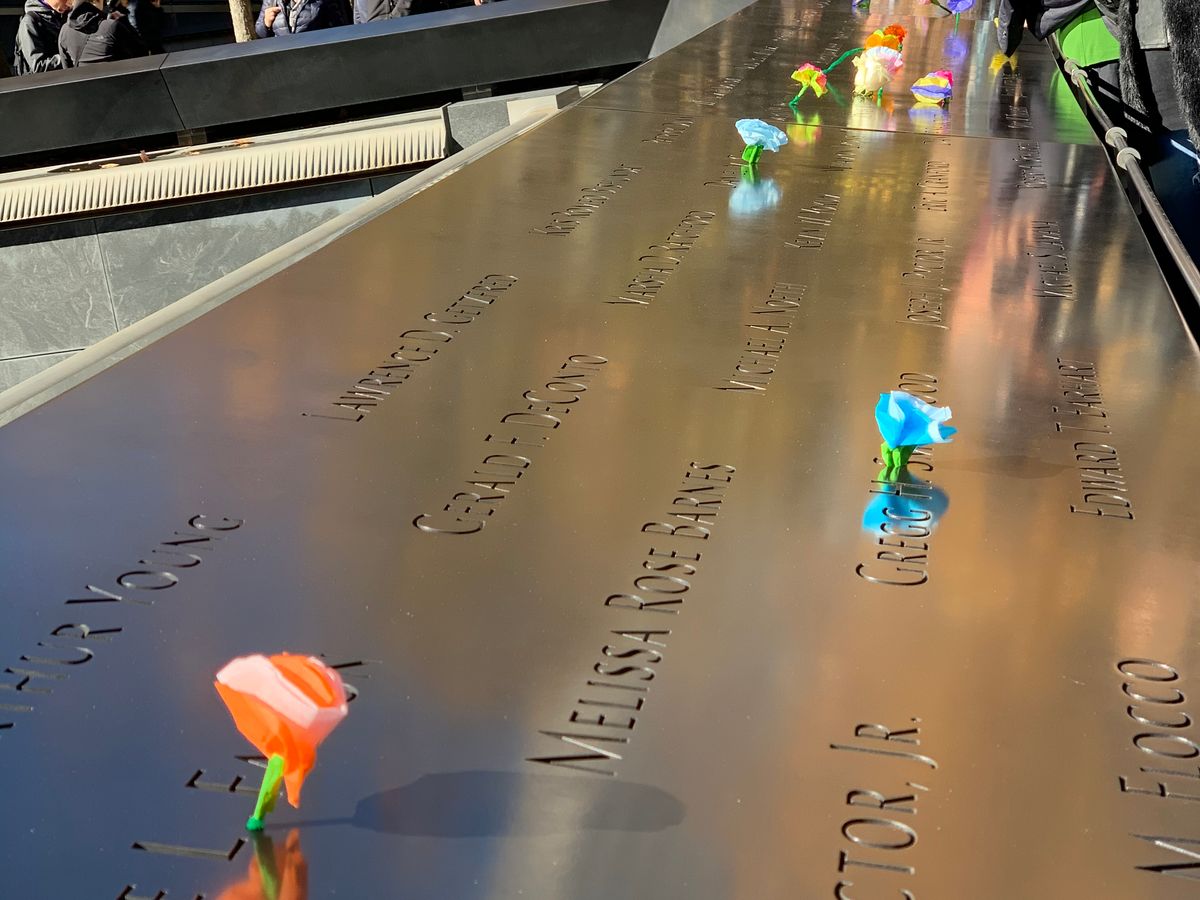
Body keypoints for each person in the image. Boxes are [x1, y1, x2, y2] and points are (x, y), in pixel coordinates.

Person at [59, 0, 145, 66]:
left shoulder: (64, 30)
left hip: (82, 83)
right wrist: (124, 22)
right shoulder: (111, 26)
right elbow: (141, 53)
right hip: (117, 81)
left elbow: (66, 68)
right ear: (95, 2)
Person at [13, 0, 71, 74]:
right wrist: (67, 57)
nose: (70, 2)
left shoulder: (61, 15)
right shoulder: (28, 22)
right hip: (45, 80)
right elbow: (38, 66)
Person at [255, 0, 346, 37]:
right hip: (283, 60)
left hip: (316, 59)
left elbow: (340, 30)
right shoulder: (271, 1)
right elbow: (260, 32)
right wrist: (266, 23)